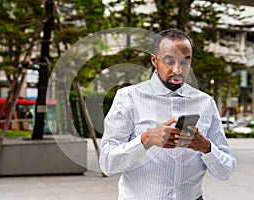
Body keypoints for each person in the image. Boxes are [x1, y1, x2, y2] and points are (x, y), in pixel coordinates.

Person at [99, 28, 237, 200]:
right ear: (154, 60)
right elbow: (107, 164)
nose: (178, 70)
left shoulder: (206, 103)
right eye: (169, 61)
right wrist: (146, 140)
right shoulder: (128, 98)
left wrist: (206, 148)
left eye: (185, 61)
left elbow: (226, 170)